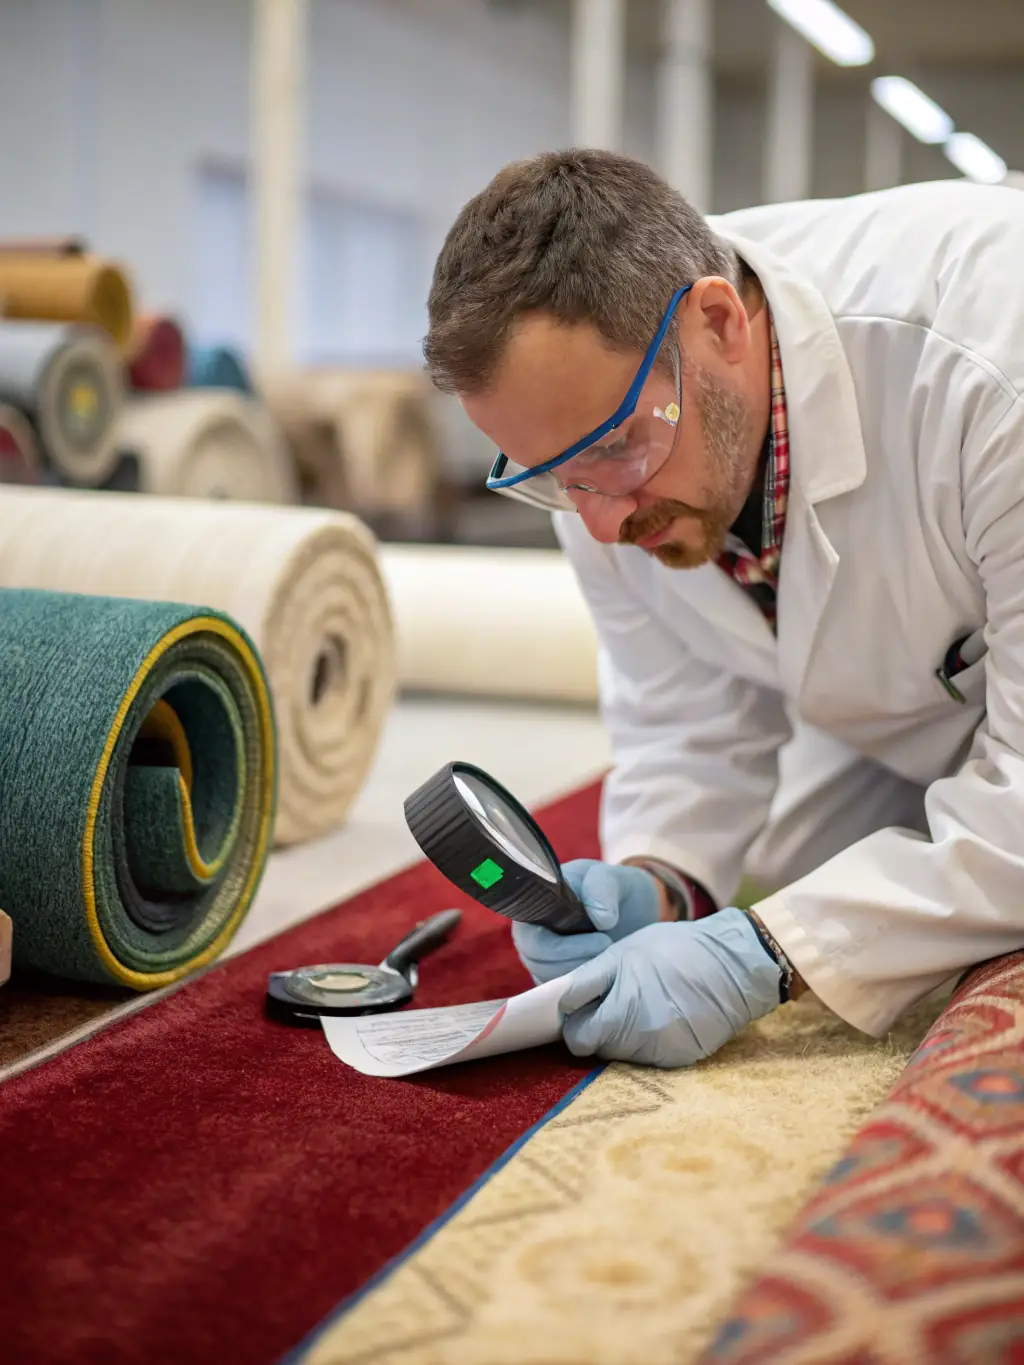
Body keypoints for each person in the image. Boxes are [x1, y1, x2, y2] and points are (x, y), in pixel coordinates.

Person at [423, 148, 1024, 1068]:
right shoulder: (595, 466)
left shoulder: (988, 364)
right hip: (916, 699)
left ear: (716, 322)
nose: (603, 521)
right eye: (550, 480)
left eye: (617, 449)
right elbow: (683, 717)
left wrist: (770, 954)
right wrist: (660, 880)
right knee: (796, 866)